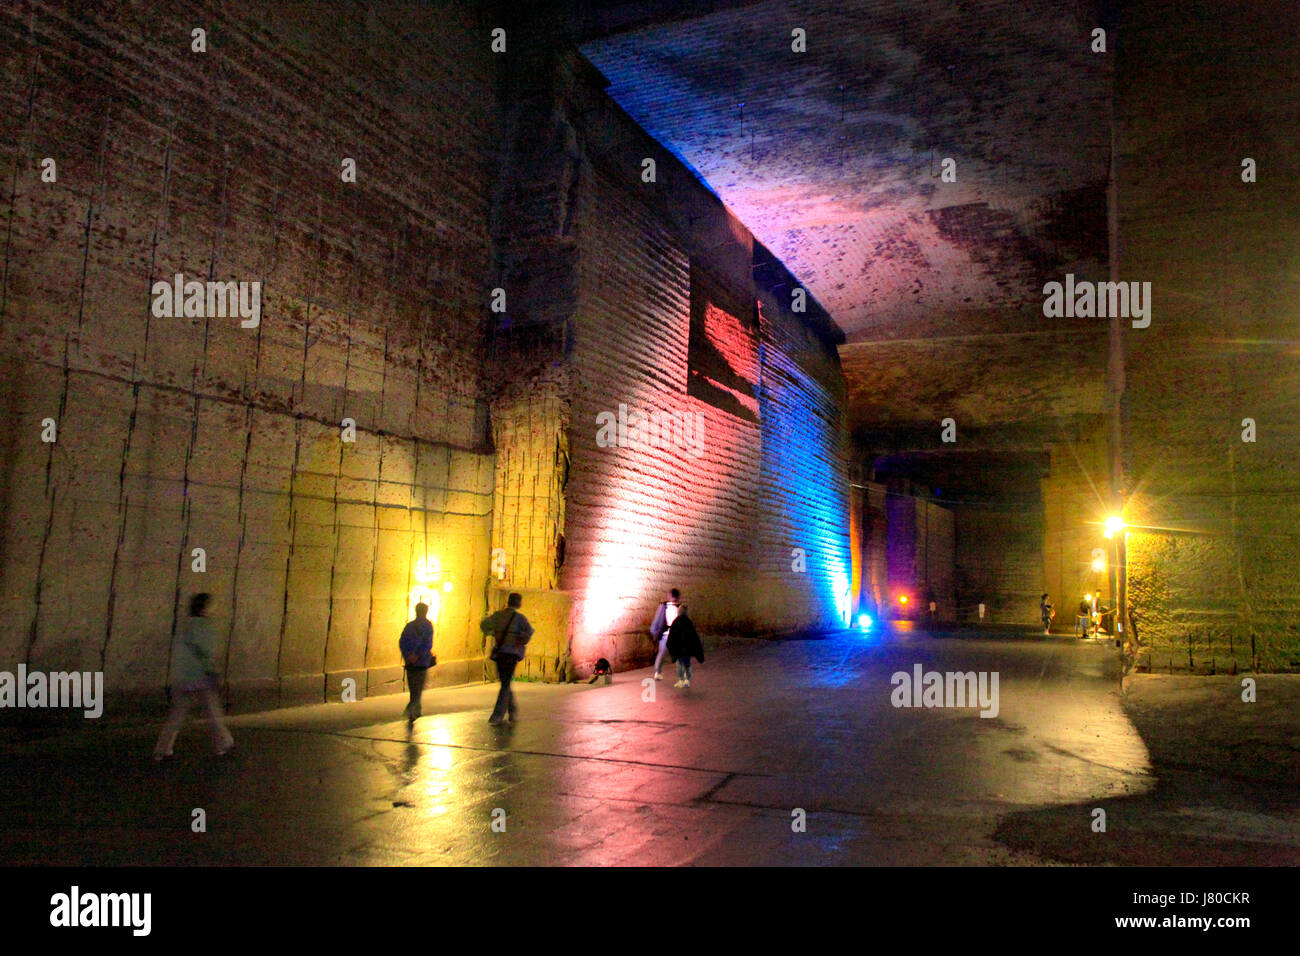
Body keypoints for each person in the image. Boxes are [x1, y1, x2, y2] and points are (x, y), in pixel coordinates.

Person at [153, 593, 235, 760]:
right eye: (212, 605)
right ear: (204, 608)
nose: (214, 609)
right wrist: (213, 672)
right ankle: (224, 743)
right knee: (212, 712)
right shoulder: (205, 627)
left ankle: (162, 749)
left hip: (182, 677)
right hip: (200, 676)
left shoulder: (185, 626)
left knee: (177, 715)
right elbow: (206, 653)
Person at [481, 592, 533, 725]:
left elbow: (484, 625)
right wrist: (520, 640)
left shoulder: (498, 616)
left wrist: (493, 633)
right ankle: (498, 715)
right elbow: (529, 632)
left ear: (508, 602)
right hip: (512, 654)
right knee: (505, 683)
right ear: (519, 604)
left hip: (500, 653)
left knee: (504, 682)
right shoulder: (520, 619)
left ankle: (512, 711)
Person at [399, 603, 435, 724]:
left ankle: (415, 710)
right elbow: (428, 644)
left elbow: (402, 642)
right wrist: (418, 655)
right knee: (418, 688)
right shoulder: (428, 626)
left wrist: (408, 656)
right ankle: (413, 710)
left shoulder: (409, 626)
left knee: (413, 687)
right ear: (426, 612)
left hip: (410, 663)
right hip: (422, 662)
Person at [649, 588, 684, 681]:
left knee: (673, 654)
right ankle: (658, 672)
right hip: (668, 634)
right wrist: (655, 631)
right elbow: (658, 619)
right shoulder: (665, 606)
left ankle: (659, 672)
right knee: (664, 654)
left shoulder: (679, 607)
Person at [666, 606, 704, 688]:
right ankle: (687, 680)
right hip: (687, 648)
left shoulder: (676, 622)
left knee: (679, 663)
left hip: (679, 648)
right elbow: (694, 636)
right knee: (687, 663)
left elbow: (672, 636)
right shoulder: (689, 622)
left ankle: (681, 680)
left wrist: (671, 647)